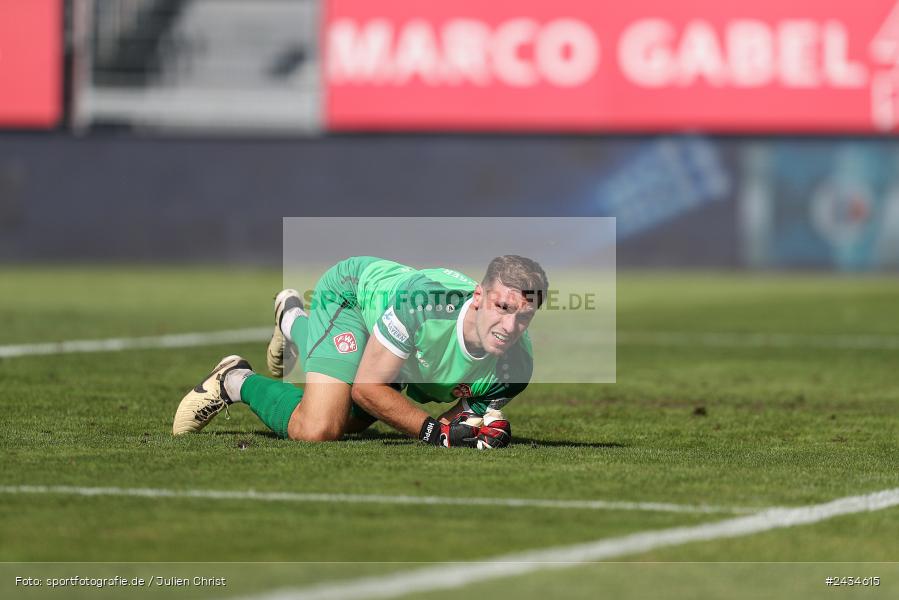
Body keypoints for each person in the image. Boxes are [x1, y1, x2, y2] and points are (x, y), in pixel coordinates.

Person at [172, 255, 547, 448]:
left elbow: (454, 427)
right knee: (320, 427)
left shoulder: (517, 367)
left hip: (403, 350)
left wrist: (472, 434)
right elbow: (368, 389)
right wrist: (435, 432)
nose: (511, 327)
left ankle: (292, 321)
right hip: (352, 297)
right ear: (479, 298)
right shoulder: (425, 305)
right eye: (503, 308)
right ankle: (235, 380)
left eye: (524, 317)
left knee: (350, 419)